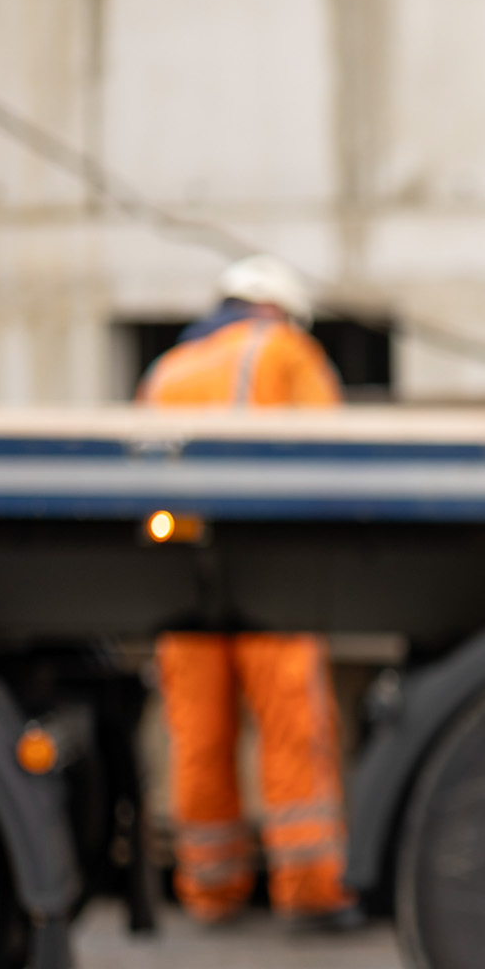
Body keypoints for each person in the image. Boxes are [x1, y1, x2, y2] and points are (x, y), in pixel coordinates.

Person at [138, 255, 359, 929]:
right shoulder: (283, 350)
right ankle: (310, 890)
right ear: (281, 309)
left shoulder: (168, 369)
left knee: (198, 733)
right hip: (269, 567)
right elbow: (333, 450)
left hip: (179, 573)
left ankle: (211, 890)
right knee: (292, 726)